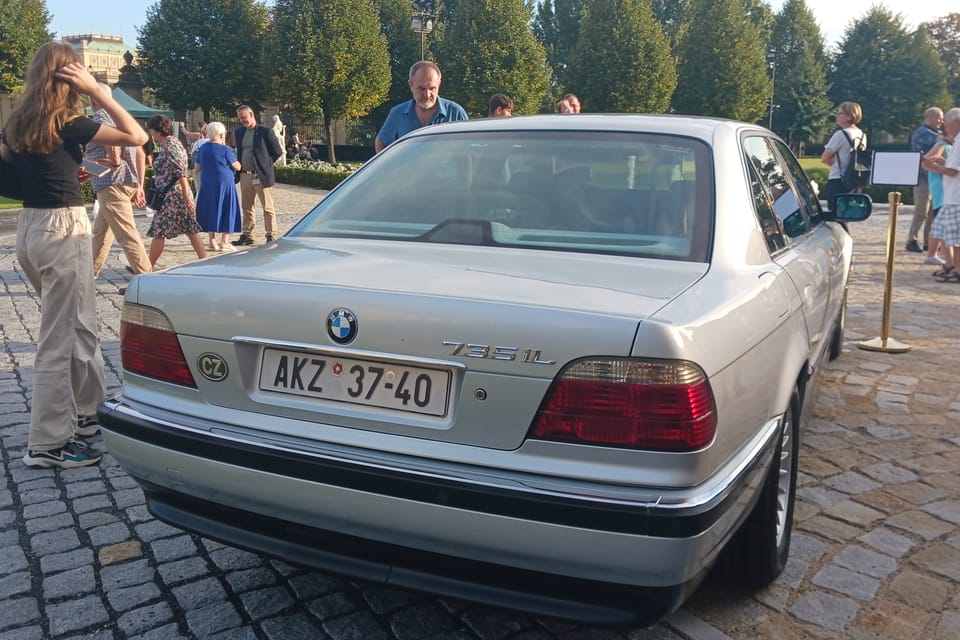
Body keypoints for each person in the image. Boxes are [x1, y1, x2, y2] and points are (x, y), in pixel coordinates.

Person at [0, 42, 147, 468]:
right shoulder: (70, 120)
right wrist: (102, 94)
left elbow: (12, 168)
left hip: (31, 229)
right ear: (70, 78)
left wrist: (63, 170)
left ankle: (88, 413)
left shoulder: (19, 123)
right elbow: (136, 137)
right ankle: (47, 443)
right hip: (62, 229)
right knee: (58, 339)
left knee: (81, 322)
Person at [87, 84, 152, 277]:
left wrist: (114, 160)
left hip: (111, 182)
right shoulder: (119, 116)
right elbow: (140, 152)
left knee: (126, 234)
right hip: (121, 181)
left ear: (93, 100)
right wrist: (139, 184)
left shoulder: (101, 116)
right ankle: (88, 275)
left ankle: (146, 277)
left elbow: (109, 140)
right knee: (101, 233)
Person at [145, 114, 207, 267]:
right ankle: (204, 261)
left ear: (158, 131)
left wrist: (186, 196)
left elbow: (181, 173)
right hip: (174, 195)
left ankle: (145, 267)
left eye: (151, 130)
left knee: (160, 230)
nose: (150, 133)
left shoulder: (172, 147)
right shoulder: (170, 145)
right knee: (190, 229)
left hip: (173, 196)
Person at [374, 61, 468, 153]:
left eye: (432, 88)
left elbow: (467, 149)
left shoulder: (455, 113)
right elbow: (381, 143)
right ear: (411, 85)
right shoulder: (397, 114)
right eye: (421, 89)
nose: (427, 95)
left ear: (439, 84)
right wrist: (391, 167)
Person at [232, 105, 283, 245]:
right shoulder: (239, 132)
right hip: (245, 175)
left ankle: (270, 234)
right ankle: (247, 234)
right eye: (240, 118)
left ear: (251, 114)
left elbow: (277, 151)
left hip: (260, 175)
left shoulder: (265, 132)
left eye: (244, 117)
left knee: (267, 206)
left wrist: (265, 163)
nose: (243, 120)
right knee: (247, 206)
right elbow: (240, 152)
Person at [195, 121, 242, 251]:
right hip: (225, 183)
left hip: (208, 182)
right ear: (221, 134)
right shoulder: (225, 149)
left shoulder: (203, 148)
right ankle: (224, 241)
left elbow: (197, 167)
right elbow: (237, 166)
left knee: (212, 209)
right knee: (227, 208)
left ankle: (212, 241)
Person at [926, 107, 960, 282]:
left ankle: (957, 268)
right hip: (950, 196)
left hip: (956, 197)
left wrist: (935, 167)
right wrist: (943, 163)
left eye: (947, 123)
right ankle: (949, 264)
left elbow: (953, 171)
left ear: (956, 123)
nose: (945, 127)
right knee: (942, 230)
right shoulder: (955, 141)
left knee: (955, 235)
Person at [906, 107, 944, 252]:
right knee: (921, 210)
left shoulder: (937, 132)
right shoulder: (922, 133)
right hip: (922, 177)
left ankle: (929, 241)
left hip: (935, 177)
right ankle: (912, 239)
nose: (941, 121)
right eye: (939, 118)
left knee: (933, 211)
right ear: (929, 117)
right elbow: (941, 140)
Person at [820, 101, 866, 211]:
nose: (837, 116)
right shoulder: (862, 135)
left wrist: (833, 162)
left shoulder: (841, 134)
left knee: (835, 213)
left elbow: (825, 158)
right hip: (855, 180)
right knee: (848, 213)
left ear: (850, 116)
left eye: (840, 113)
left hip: (838, 179)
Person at [923, 131, 953, 265]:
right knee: (941, 222)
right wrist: (941, 169)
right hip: (941, 187)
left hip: (945, 186)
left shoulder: (951, 146)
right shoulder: (942, 144)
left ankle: (939, 252)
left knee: (940, 223)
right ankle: (933, 253)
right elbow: (926, 161)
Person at [188, 123, 209, 194]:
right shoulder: (217, 143)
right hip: (210, 169)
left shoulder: (199, 143)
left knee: (199, 189)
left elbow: (192, 154)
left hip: (199, 168)